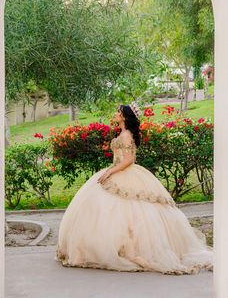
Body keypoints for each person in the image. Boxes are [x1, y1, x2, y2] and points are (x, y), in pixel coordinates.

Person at [55, 103, 213, 274]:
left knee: (131, 212)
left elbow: (129, 160)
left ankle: (128, 250)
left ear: (124, 116)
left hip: (124, 172)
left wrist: (110, 172)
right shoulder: (123, 134)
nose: (115, 114)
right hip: (118, 170)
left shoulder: (127, 135)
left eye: (118, 112)